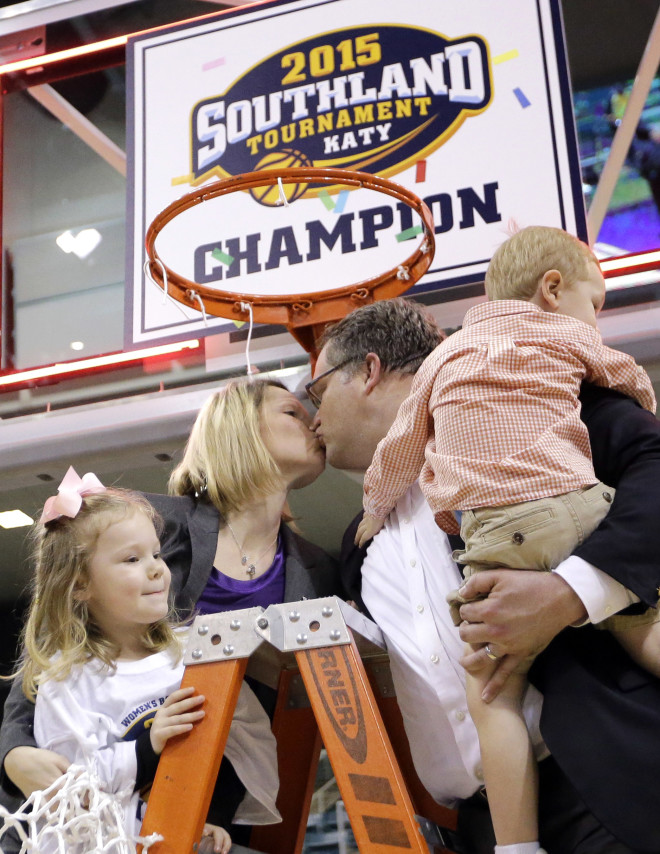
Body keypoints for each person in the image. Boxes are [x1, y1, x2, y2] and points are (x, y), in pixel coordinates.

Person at [308, 297, 660, 853]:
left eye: (318, 391)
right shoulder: (359, 546)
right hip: (478, 825)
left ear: (369, 371)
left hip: (607, 785)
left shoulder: (515, 398)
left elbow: (655, 464)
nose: (314, 418)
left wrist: (571, 591)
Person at [0, 378, 342, 848]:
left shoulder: (318, 568)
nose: (315, 422)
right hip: (95, 811)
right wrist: (11, 751)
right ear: (240, 428)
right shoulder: (152, 523)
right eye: (293, 412)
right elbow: (57, 651)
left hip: (214, 809)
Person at [11, 470, 280, 853]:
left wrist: (211, 815)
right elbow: (72, 793)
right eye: (132, 559)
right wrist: (147, 746)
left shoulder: (193, 654)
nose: (157, 568)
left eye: (156, 553)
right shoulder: (65, 680)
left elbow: (239, 744)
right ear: (80, 585)